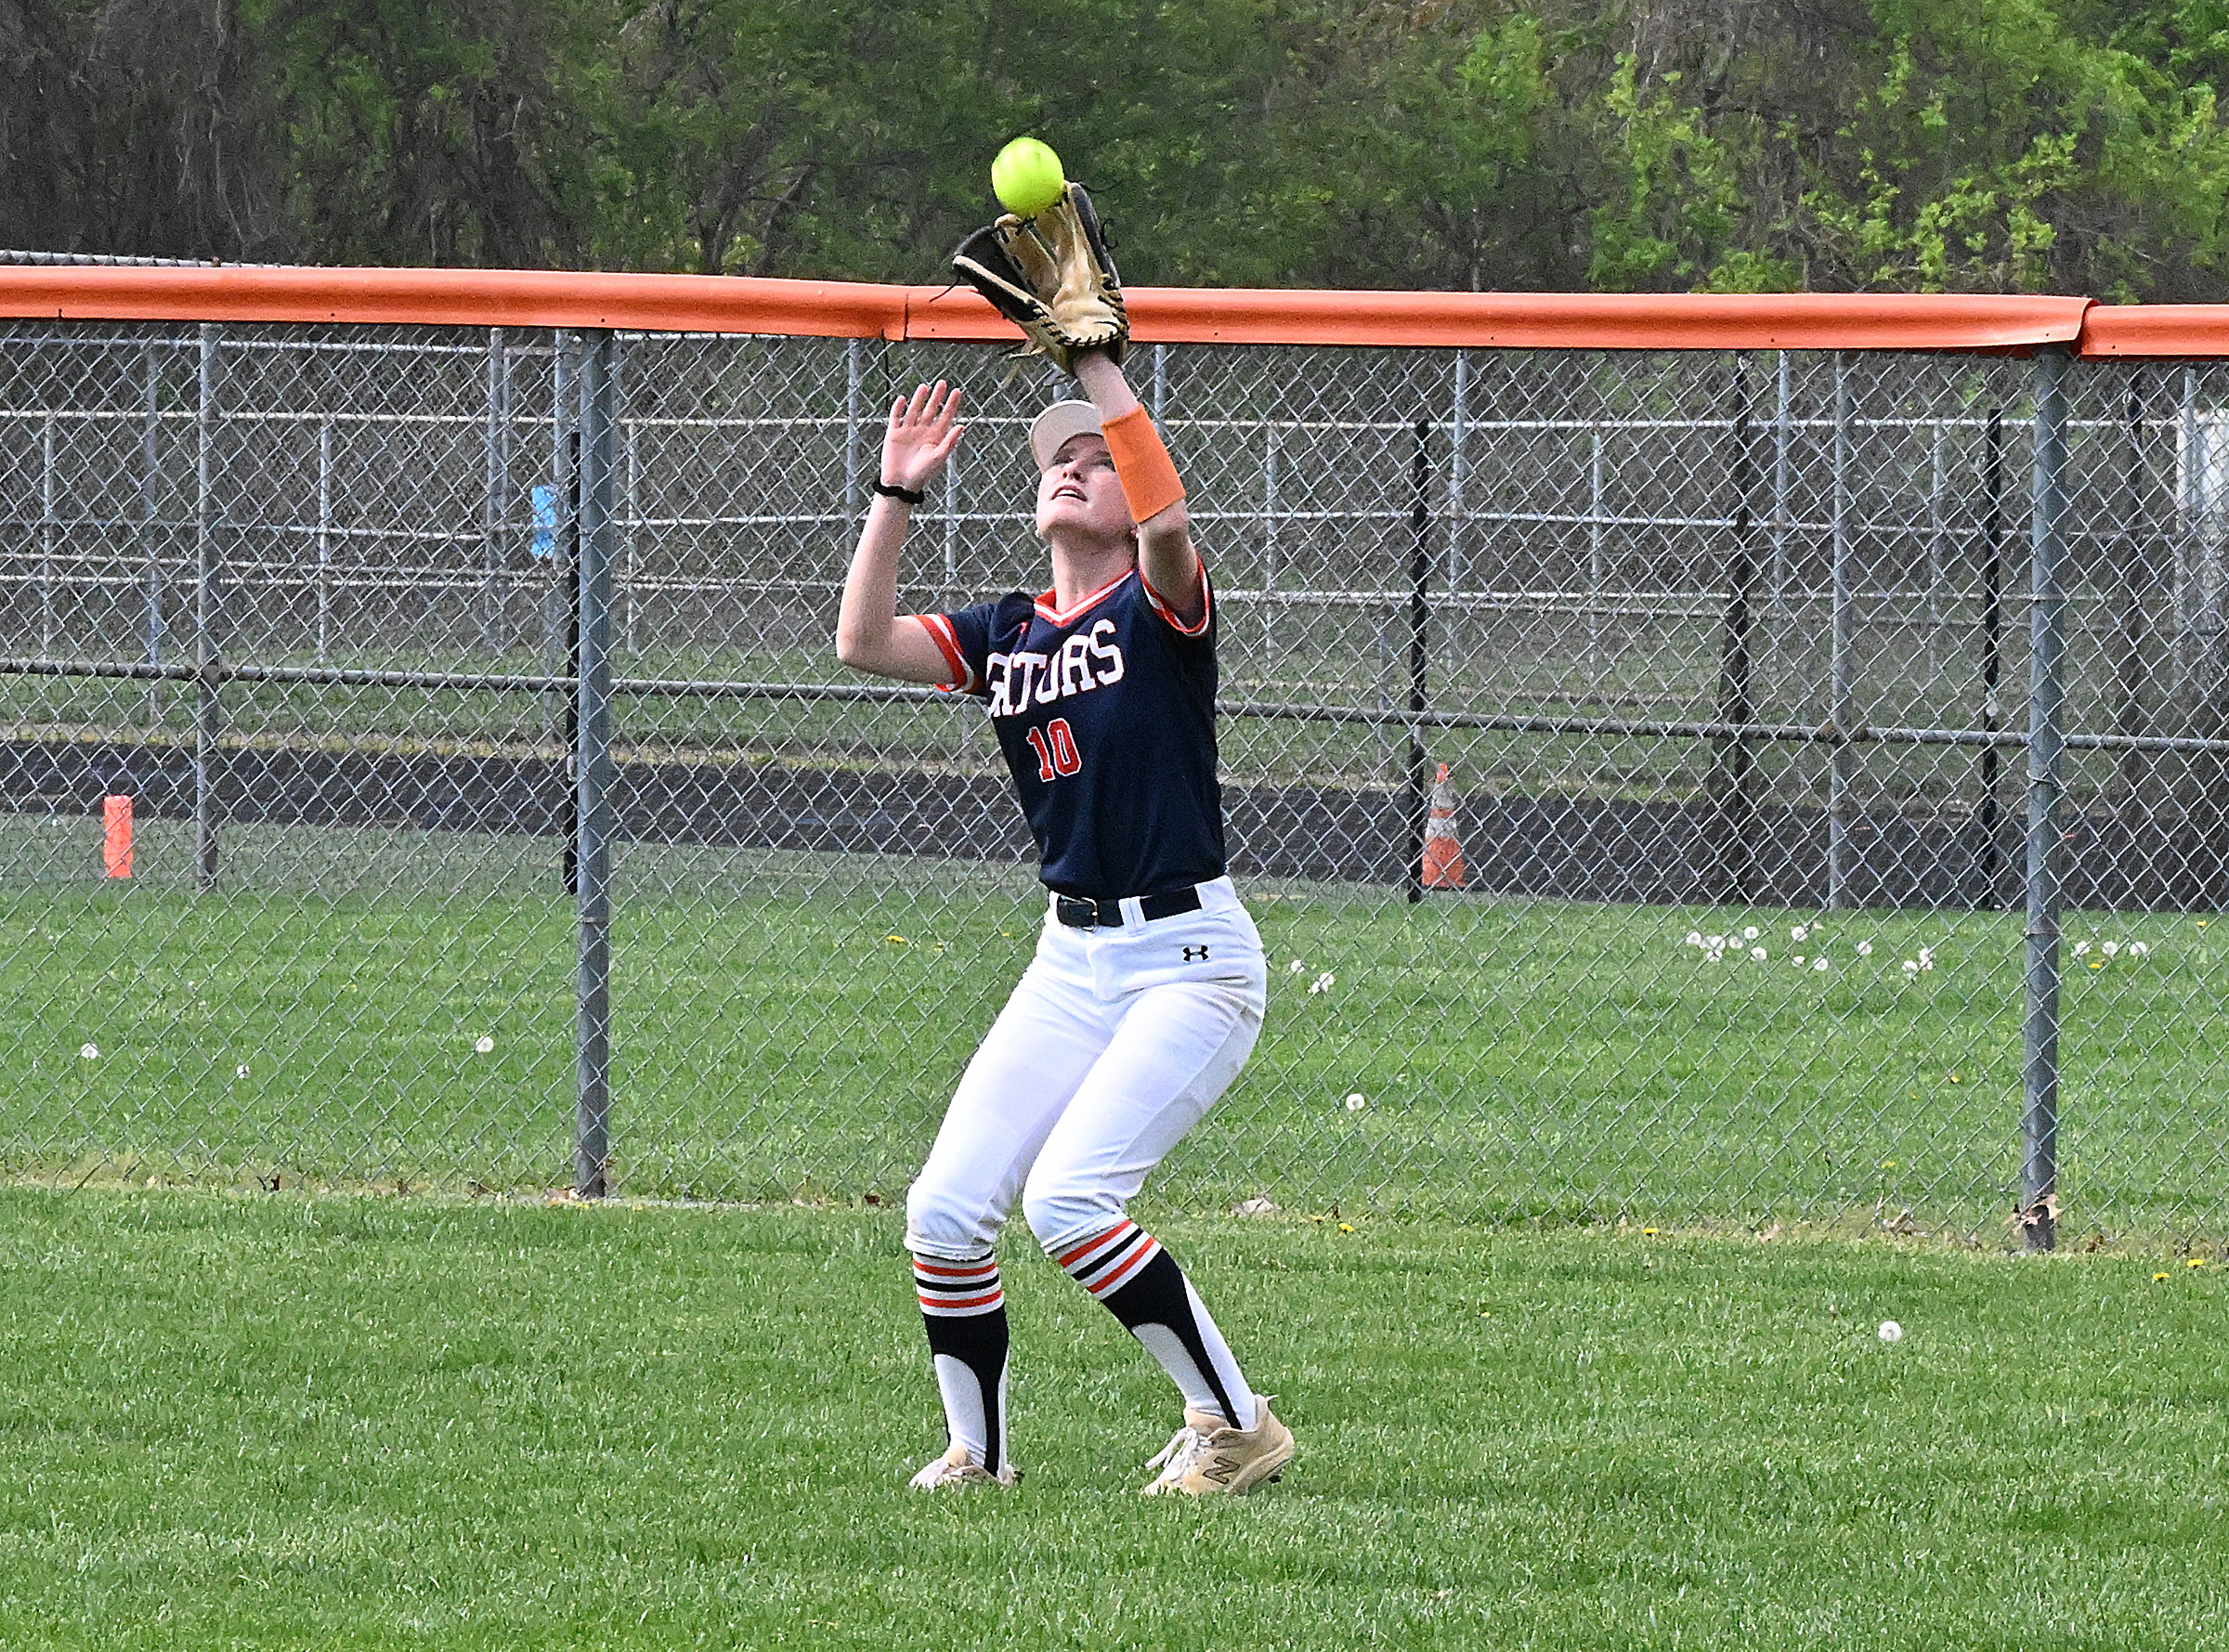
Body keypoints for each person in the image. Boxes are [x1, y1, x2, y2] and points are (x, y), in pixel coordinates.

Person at [833, 347, 1293, 1495]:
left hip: (1189, 959)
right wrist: (896, 496)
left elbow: (1173, 520)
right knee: (943, 1212)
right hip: (1071, 956)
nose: (1072, 469)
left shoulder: (1161, 603)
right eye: (1057, 461)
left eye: (1096, 460)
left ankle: (1238, 1427)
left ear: (1136, 501)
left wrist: (1099, 366)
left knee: (1072, 1199)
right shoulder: (1007, 634)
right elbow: (861, 641)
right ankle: (976, 1457)